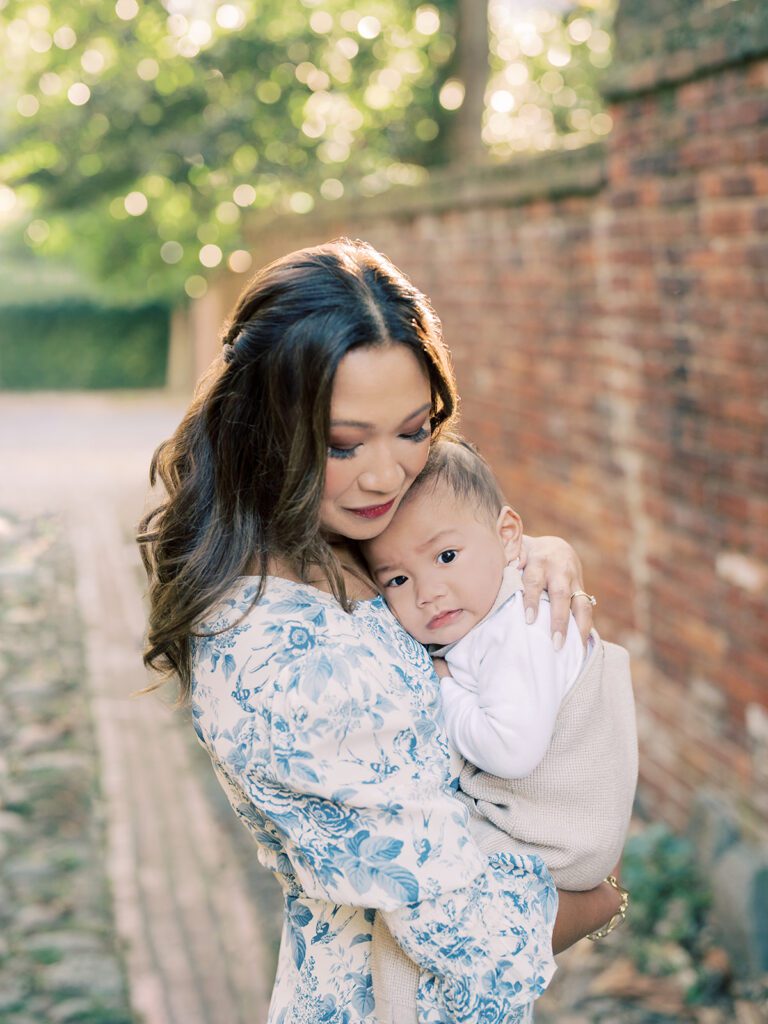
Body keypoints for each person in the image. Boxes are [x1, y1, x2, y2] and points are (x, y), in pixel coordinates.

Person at [138, 238, 626, 1024]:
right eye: (342, 443)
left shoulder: (332, 528)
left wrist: (533, 553)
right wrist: (602, 893)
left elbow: (459, 548)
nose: (387, 475)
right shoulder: (278, 654)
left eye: (414, 428)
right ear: (263, 424)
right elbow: (470, 933)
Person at [362, 438, 637, 1022]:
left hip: (553, 836)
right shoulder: (489, 611)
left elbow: (511, 749)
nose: (428, 591)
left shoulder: (523, 625)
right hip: (536, 829)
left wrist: (444, 692)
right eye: (396, 581)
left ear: (510, 537)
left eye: (444, 558)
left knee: (409, 916)